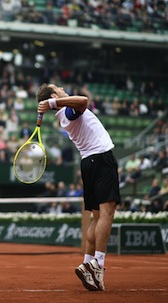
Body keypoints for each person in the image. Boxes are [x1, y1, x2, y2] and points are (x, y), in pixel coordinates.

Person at [36, 83, 120, 292]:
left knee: (97, 217)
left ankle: (87, 262)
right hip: (101, 159)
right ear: (54, 95)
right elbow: (84, 101)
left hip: (89, 163)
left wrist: (52, 102)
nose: (63, 88)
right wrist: (53, 102)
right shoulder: (68, 110)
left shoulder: (66, 113)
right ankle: (98, 264)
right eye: (58, 88)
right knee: (107, 214)